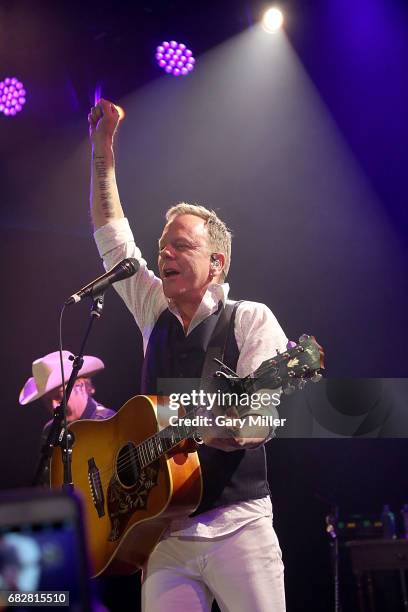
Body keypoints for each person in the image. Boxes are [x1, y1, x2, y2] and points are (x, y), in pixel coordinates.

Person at [89, 99, 287, 611]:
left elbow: (261, 419)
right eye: (162, 247)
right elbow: (112, 237)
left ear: (216, 263)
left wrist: (231, 428)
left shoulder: (251, 319)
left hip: (238, 528)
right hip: (164, 535)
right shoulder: (154, 308)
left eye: (180, 247)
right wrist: (103, 154)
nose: (164, 255)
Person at [19, 350, 115, 484]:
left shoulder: (106, 421)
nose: (53, 406)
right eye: (47, 401)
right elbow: (46, 483)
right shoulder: (50, 431)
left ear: (80, 386)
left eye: (59, 396)